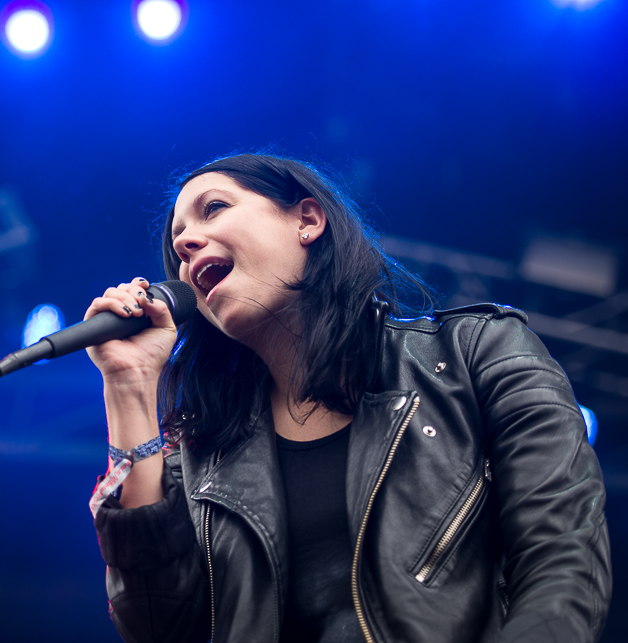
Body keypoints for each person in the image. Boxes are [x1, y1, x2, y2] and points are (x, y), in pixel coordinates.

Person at [82, 153, 612, 643]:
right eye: (177, 237)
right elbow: (157, 626)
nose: (184, 244)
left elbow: (562, 564)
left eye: (213, 209)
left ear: (307, 220)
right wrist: (128, 386)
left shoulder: (477, 355)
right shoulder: (201, 459)